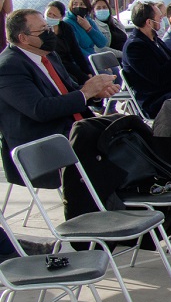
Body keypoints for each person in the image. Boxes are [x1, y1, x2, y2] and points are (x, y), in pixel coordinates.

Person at [0, 9, 119, 188]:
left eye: (48, 27)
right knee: (110, 150)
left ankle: (143, 193)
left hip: (73, 127)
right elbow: (40, 109)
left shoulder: (48, 55)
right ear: (23, 38)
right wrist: (85, 93)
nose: (50, 32)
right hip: (42, 142)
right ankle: (106, 204)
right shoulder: (8, 67)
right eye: (43, 30)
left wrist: (95, 93)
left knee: (125, 129)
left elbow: (70, 92)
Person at [41, 1, 92, 85]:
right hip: (52, 64)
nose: (50, 17)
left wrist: (87, 71)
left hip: (67, 63)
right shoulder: (41, 30)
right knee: (72, 81)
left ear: (61, 18)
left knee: (86, 79)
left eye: (54, 15)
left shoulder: (66, 28)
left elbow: (75, 50)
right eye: (49, 14)